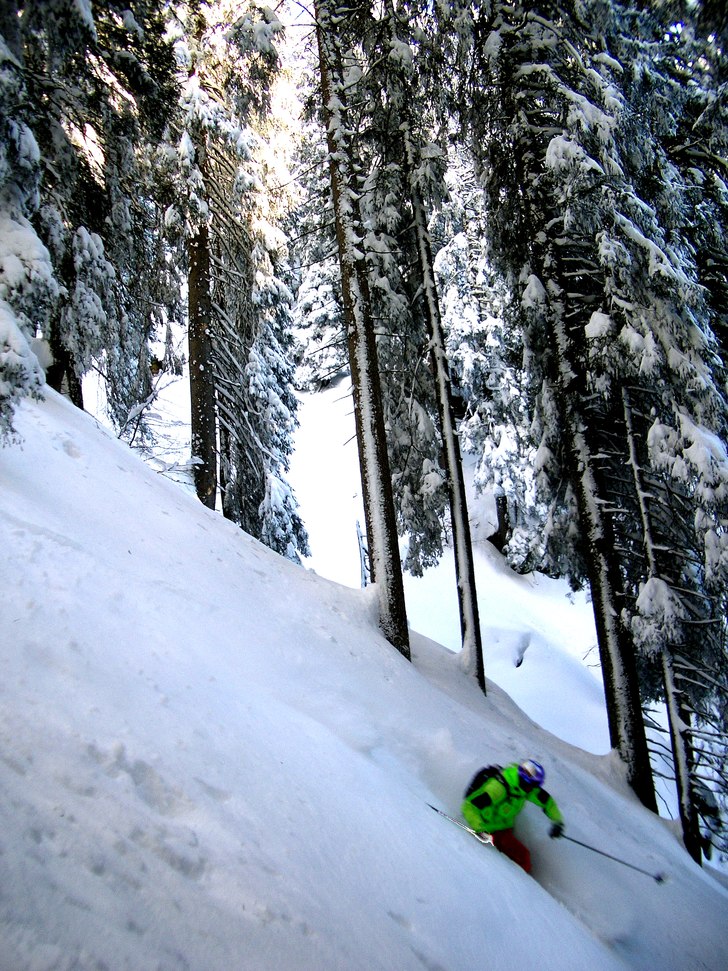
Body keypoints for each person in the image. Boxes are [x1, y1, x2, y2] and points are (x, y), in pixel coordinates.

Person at [461, 759, 564, 874]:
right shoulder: (498, 788)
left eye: (537, 785)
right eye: (533, 785)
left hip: (503, 831)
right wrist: (480, 829)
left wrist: (557, 821)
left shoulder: (526, 789)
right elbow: (469, 807)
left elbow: (547, 802)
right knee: (510, 861)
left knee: (524, 857)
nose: (535, 789)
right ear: (525, 781)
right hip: (485, 831)